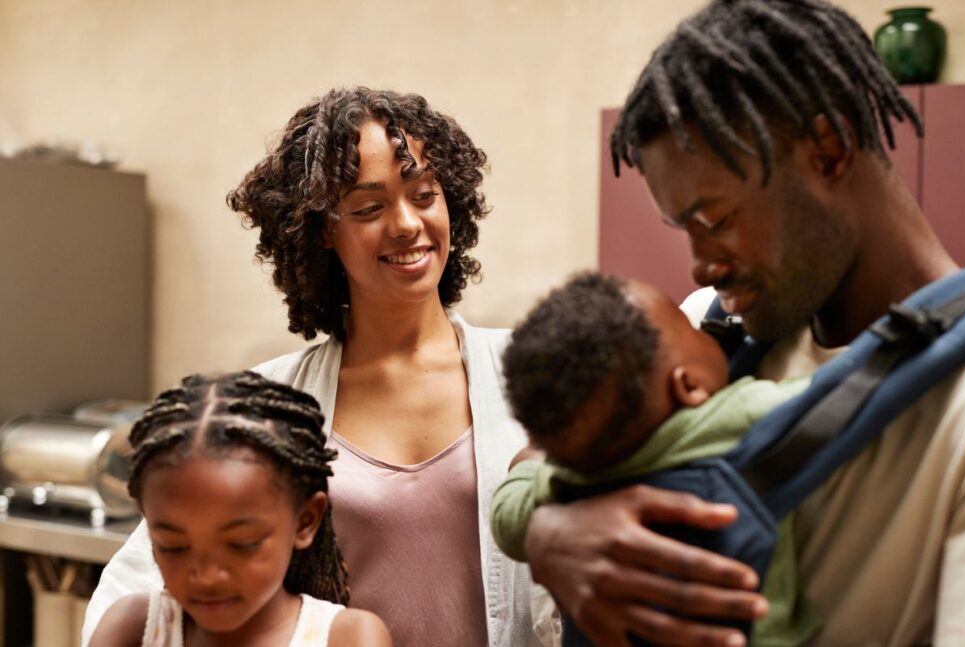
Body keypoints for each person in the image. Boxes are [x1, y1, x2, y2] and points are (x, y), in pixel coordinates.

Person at [522, 1, 965, 646]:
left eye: (717, 220)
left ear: (829, 149)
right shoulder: (713, 329)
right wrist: (551, 533)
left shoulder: (957, 398)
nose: (702, 267)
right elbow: (554, 444)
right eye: (685, 232)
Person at [82, 88, 558, 647]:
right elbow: (138, 579)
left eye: (424, 194)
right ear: (325, 232)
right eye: (368, 208)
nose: (406, 224)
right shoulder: (273, 401)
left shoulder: (533, 378)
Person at [491, 272, 818, 645]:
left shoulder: (565, 476)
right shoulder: (739, 415)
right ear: (688, 386)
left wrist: (533, 462)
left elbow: (505, 518)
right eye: (692, 331)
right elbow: (836, 388)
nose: (705, 329)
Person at [87, 371, 391, 647]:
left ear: (305, 521)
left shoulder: (347, 638)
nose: (207, 577)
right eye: (174, 547)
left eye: (242, 544)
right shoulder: (133, 629)